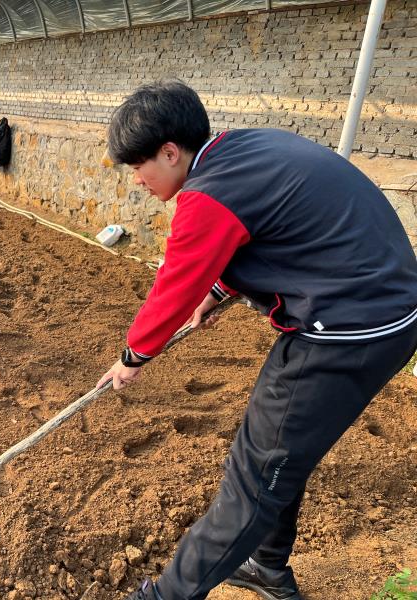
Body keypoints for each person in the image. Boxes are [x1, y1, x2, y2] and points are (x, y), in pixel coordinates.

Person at [96, 80, 417, 600]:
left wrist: (133, 357)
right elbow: (270, 231)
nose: (138, 180)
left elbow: (173, 286)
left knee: (255, 473)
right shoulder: (240, 150)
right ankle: (266, 566)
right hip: (380, 310)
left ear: (171, 152)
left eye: (139, 167)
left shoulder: (206, 196)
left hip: (345, 330)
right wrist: (218, 291)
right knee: (278, 449)